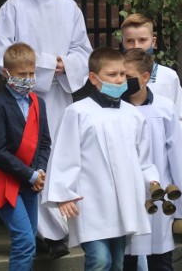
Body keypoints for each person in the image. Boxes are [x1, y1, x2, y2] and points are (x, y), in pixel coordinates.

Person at [0, 0, 92, 258]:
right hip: (28, 100)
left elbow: (83, 52)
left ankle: (62, 229)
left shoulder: (68, 7)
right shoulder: (14, 7)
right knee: (33, 162)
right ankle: (42, 233)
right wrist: (49, 64)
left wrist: (68, 65)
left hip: (61, 97)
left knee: (62, 158)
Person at [43, 47, 160, 271]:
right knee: (100, 260)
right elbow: (64, 156)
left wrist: (151, 182)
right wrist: (64, 195)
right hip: (91, 201)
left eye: (122, 74)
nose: (118, 80)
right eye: (111, 75)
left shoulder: (133, 115)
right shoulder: (78, 112)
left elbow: (143, 159)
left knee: (117, 262)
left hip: (124, 201)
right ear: (94, 78)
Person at [121, 48, 182, 271]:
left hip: (158, 193)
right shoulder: (115, 108)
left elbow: (177, 156)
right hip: (125, 194)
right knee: (125, 258)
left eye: (127, 77)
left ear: (145, 77)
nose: (122, 82)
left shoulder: (165, 108)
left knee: (160, 259)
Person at [0, 43, 51, 271]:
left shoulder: (38, 102)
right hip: (6, 183)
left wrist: (39, 171)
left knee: (29, 241)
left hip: (30, 182)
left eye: (31, 73)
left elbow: (44, 142)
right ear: (6, 73)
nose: (28, 79)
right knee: (24, 242)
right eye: (22, 74)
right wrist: (30, 174)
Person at [121, 13, 182, 146]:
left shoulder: (168, 77)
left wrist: (167, 147)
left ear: (153, 42)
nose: (136, 46)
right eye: (130, 41)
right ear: (123, 42)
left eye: (142, 40)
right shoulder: (116, 77)